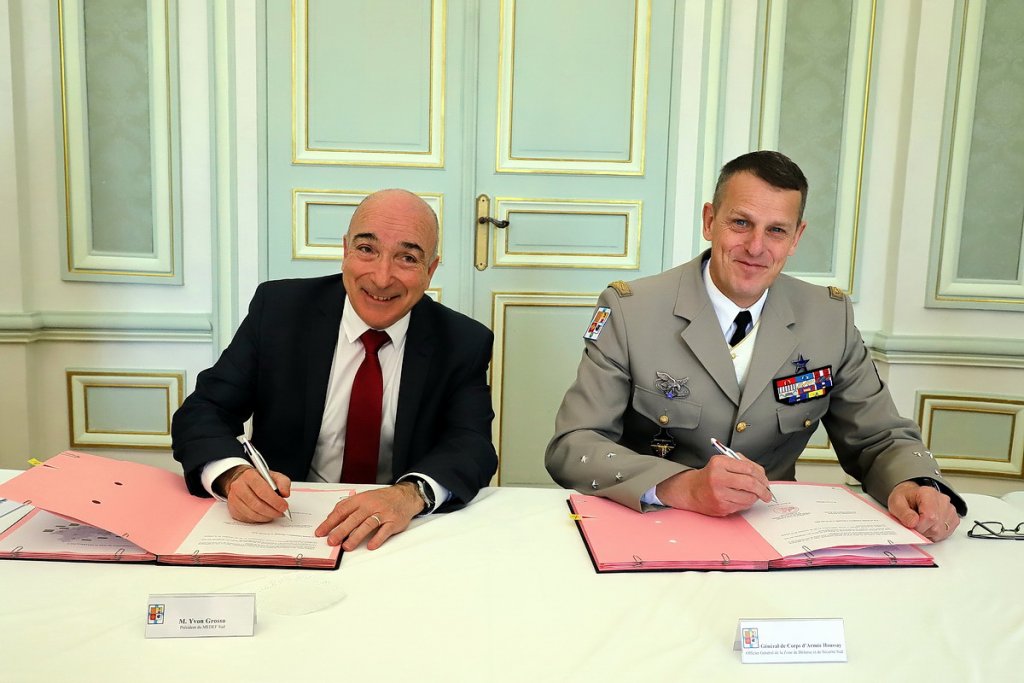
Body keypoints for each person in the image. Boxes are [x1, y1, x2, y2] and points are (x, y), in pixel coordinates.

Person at [545, 151, 965, 542]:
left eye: (776, 230)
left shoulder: (828, 317)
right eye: (741, 223)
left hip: (776, 533)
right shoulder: (630, 310)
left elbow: (879, 438)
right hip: (654, 526)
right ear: (710, 221)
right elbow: (575, 444)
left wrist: (914, 482)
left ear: (796, 237)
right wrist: (680, 486)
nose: (756, 247)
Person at [172, 189, 497, 551]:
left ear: (430, 270)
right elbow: (205, 410)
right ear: (345, 250)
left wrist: (409, 494)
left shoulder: (463, 340)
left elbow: (471, 445)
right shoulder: (279, 310)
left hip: (395, 534)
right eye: (367, 249)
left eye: (407, 257)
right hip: (287, 522)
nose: (381, 277)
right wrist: (233, 475)